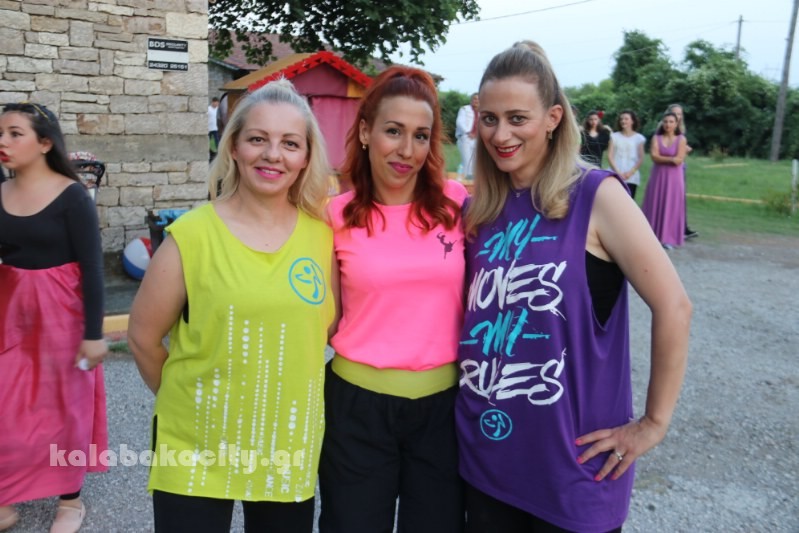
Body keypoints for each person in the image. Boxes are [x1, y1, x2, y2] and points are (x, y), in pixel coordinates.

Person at [457, 41, 692, 533]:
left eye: (518, 118)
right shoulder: (478, 210)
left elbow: (674, 305)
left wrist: (653, 423)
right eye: (490, 119)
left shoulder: (595, 195)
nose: (501, 134)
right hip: (485, 462)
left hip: (575, 473)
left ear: (553, 118)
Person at [128, 79, 336, 533]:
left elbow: (330, 331)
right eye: (258, 139)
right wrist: (191, 406)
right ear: (235, 147)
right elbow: (142, 338)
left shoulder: (323, 239)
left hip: (287, 448)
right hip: (195, 445)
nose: (273, 155)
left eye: (290, 143)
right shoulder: (192, 235)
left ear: (306, 157)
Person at [319, 66, 468, 533]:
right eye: (393, 131)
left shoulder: (457, 204)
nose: (407, 150)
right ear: (365, 132)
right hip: (357, 409)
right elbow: (322, 319)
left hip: (444, 410)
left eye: (421, 136)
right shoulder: (334, 216)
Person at [0, 102, 108, 533]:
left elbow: (93, 267)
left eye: (15, 133)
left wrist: (94, 333)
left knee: (67, 410)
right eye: (1, 134)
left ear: (45, 143)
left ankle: (71, 499)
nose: (4, 142)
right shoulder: (0, 192)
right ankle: (7, 494)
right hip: (12, 312)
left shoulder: (72, 196)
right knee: (8, 404)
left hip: (63, 315)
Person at [642, 111, 688, 250]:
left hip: (675, 178)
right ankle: (651, 236)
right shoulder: (656, 138)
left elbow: (679, 160)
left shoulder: (681, 139)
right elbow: (654, 156)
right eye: (666, 121)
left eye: (671, 122)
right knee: (655, 202)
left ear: (676, 124)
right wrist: (671, 159)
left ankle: (669, 238)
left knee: (672, 205)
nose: (668, 124)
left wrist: (663, 158)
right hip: (658, 176)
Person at [666, 103, 698, 239]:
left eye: (680, 114)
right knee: (668, 198)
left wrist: (684, 149)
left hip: (680, 167)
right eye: (675, 113)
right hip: (667, 169)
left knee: (680, 199)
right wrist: (683, 149)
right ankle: (668, 228)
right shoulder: (665, 128)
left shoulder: (681, 130)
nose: (678, 116)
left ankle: (682, 228)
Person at [607, 110, 646, 198]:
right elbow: (610, 156)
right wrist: (617, 172)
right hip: (615, 174)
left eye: (626, 119)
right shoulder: (614, 136)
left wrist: (630, 173)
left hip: (631, 176)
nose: (623, 121)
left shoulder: (639, 138)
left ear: (632, 121)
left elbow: (641, 158)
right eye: (621, 119)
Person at [455, 93, 479, 179]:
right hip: (465, 137)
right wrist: (468, 132)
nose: (476, 101)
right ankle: (466, 178)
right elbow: (459, 122)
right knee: (467, 159)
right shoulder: (464, 109)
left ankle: (471, 178)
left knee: (475, 160)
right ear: (471, 100)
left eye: (478, 99)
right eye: (475, 99)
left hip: (476, 139)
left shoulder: (481, 112)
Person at [208, 96, 220, 161]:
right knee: (208, 141)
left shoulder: (218, 109)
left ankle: (218, 155)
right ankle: (210, 154)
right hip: (208, 129)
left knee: (217, 141)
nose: (217, 104)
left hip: (215, 128)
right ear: (212, 102)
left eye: (217, 103)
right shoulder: (208, 109)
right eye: (216, 103)